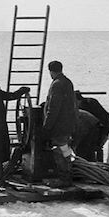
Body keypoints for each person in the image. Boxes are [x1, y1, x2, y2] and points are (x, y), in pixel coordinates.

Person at [42, 60, 77, 188]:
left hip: (58, 126)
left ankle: (64, 179)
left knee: (59, 151)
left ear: (51, 71)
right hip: (67, 124)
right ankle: (68, 175)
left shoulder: (56, 84)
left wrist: (47, 126)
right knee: (66, 151)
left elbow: (53, 107)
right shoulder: (67, 82)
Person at [75, 91, 109, 162]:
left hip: (95, 130)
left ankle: (97, 168)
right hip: (89, 131)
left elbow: (107, 119)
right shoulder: (80, 108)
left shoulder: (90, 104)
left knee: (90, 151)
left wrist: (104, 135)